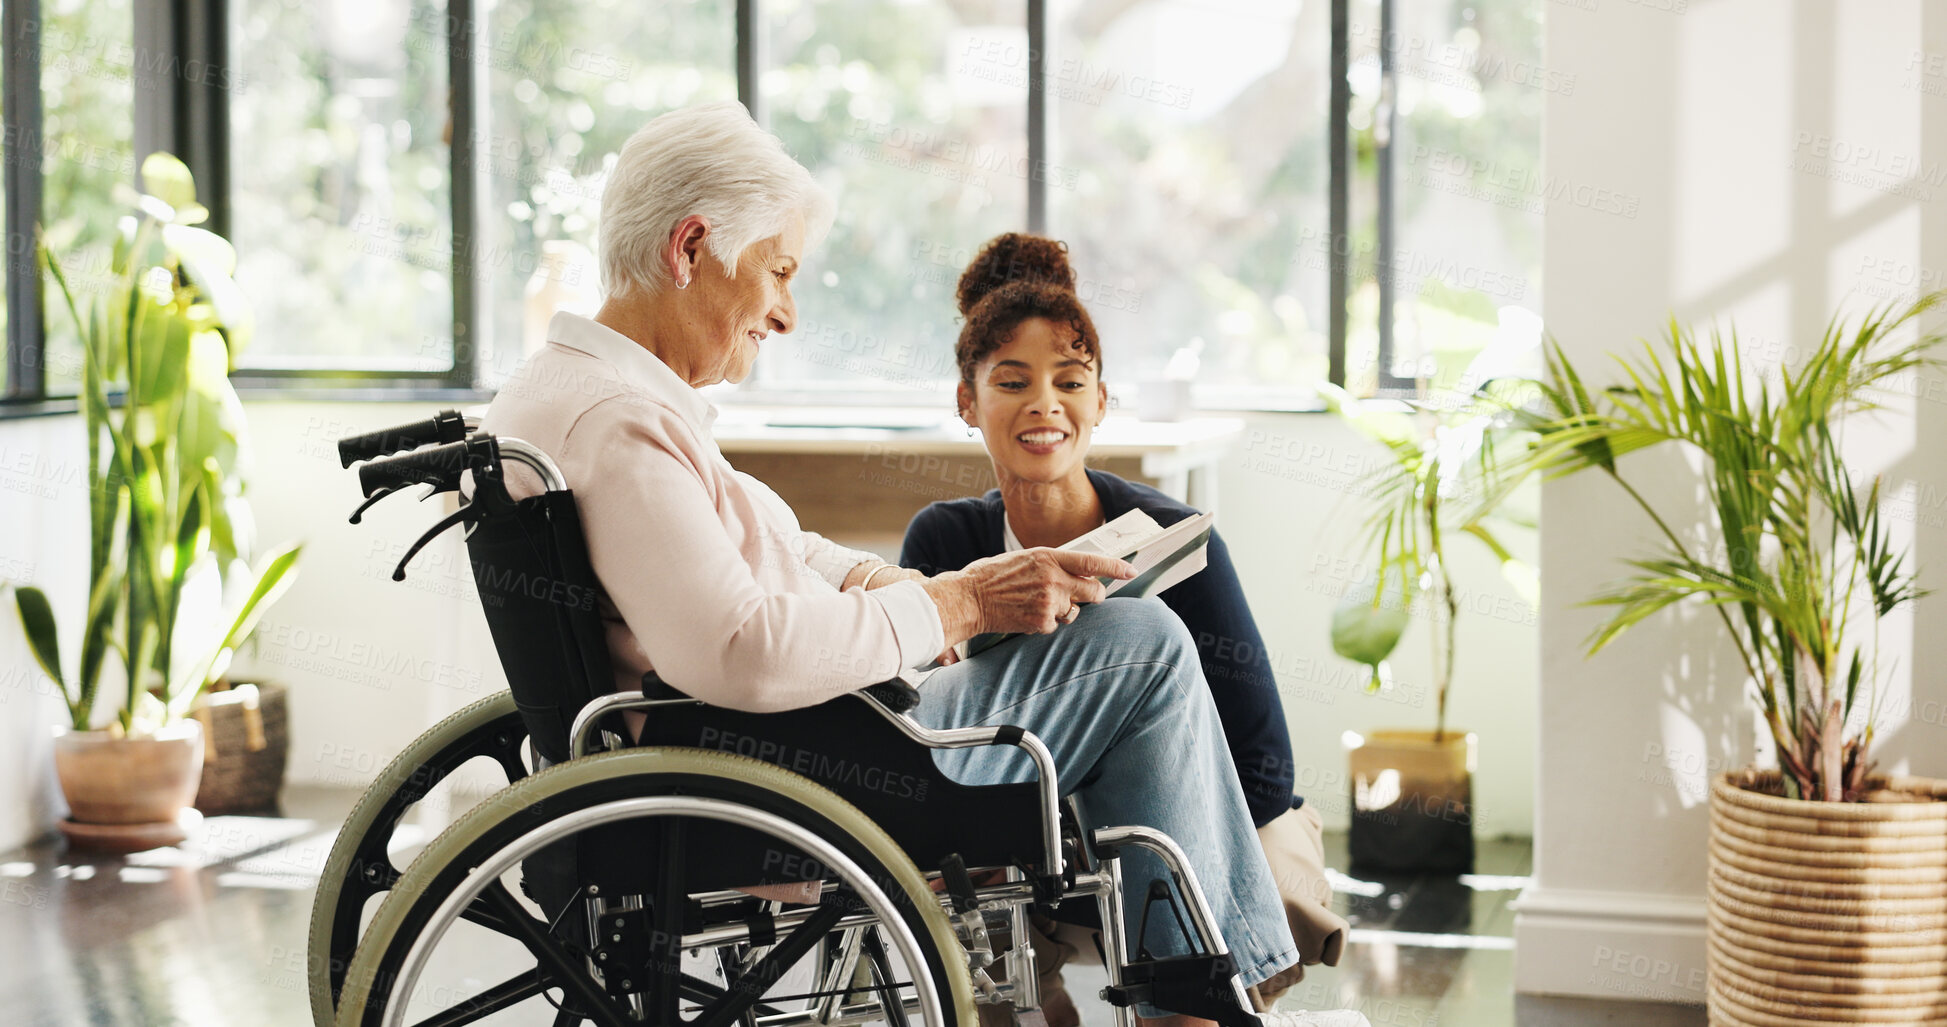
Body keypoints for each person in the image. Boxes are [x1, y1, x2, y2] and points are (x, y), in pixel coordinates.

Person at [481, 101, 1364, 1027]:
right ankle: (1217, 993)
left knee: (1123, 657)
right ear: (690, 246)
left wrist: (880, 582)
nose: (785, 310)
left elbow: (775, 553)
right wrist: (958, 604)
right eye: (778, 271)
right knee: (1139, 643)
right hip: (794, 757)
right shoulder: (619, 420)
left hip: (770, 738)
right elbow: (741, 647)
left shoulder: (582, 395)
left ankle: (1187, 992)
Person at [899, 233, 1350, 1015]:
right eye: (1012, 380)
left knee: (1211, 905)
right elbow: (942, 727)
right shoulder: (946, 540)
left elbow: (1263, 763)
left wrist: (1134, 797)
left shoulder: (1171, 533)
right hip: (1019, 821)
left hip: (1189, 804)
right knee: (989, 949)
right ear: (967, 399)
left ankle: (1197, 990)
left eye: (1069, 380)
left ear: (1100, 400)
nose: (1043, 403)